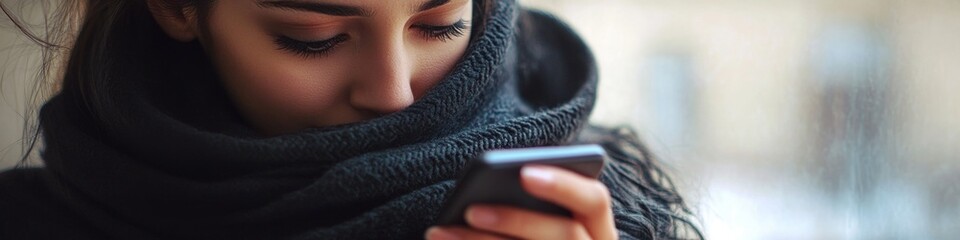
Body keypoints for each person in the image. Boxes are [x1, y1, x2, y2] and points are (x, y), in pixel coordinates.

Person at [0, 0, 701, 239]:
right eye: (313, 37)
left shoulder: (595, 210)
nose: (394, 93)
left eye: (440, 23)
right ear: (177, 9)